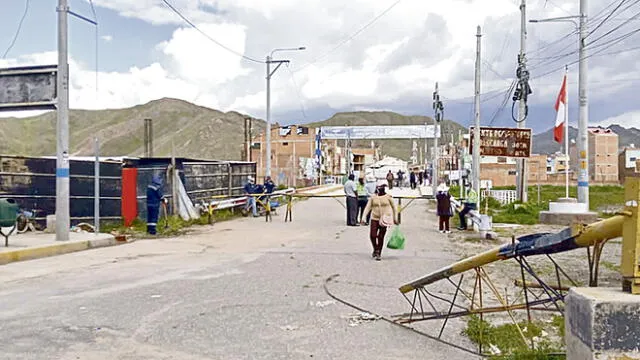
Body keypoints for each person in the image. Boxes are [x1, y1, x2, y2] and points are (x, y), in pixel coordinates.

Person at [363, 180, 398, 261]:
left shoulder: (388, 197)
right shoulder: (373, 197)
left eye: (382, 186)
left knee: (381, 236)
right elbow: (368, 207)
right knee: (373, 235)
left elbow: (394, 208)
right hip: (374, 218)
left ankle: (378, 252)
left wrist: (395, 218)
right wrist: (363, 217)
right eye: (379, 186)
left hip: (385, 219)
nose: (381, 188)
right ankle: (375, 248)